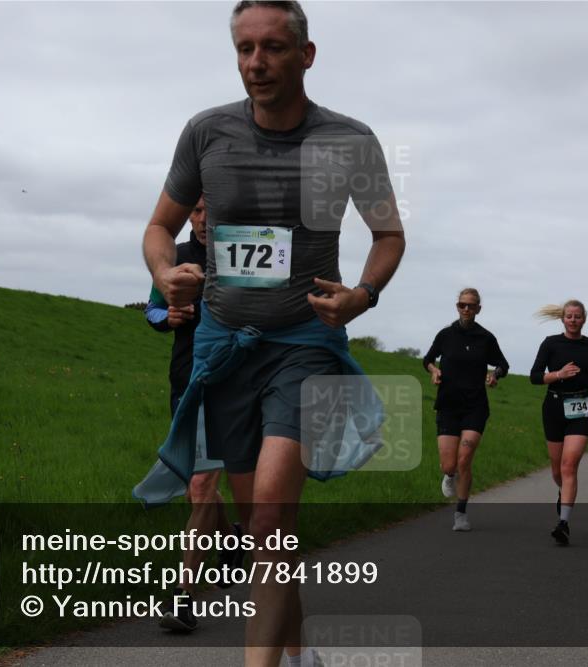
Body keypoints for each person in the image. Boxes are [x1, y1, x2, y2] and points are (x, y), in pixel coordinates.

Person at [138, 2, 405, 664]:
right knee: (266, 529)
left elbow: (389, 235)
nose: (257, 62)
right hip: (223, 345)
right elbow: (157, 228)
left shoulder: (349, 139)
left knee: (269, 517)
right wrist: (165, 270)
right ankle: (300, 651)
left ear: (306, 55)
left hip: (304, 342)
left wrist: (361, 295)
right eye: (245, 49)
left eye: (274, 48)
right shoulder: (206, 133)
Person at [145, 198, 245, 633]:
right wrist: (167, 316)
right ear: (188, 215)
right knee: (196, 491)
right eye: (198, 210)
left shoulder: (239, 258)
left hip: (232, 385)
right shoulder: (178, 259)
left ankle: (183, 598)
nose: (204, 218)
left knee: (203, 485)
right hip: (185, 381)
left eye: (213, 210)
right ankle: (232, 540)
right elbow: (151, 307)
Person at [423, 288, 509, 532]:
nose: (466, 309)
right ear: (457, 306)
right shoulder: (445, 335)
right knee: (449, 465)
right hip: (449, 405)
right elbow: (427, 359)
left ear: (479, 308)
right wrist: (434, 371)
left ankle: (460, 513)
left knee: (464, 460)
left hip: (475, 406)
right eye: (462, 305)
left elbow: (503, 364)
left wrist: (495, 375)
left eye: (471, 306)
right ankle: (449, 475)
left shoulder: (486, 338)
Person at [529, 299, 588, 546]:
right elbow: (534, 376)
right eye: (569, 316)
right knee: (557, 469)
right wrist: (558, 375)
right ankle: (564, 493)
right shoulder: (551, 343)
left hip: (581, 407)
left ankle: (563, 523)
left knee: (569, 464)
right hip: (553, 406)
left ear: (584, 319)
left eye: (578, 316)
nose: (573, 320)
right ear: (562, 319)